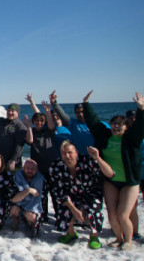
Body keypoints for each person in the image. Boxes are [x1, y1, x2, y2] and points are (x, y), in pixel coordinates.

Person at [83, 90, 144, 251]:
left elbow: (140, 127)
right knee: (112, 214)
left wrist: (141, 109)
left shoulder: (132, 139)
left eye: (120, 124)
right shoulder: (105, 136)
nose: (116, 127)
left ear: (126, 126)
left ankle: (128, 240)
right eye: (114, 124)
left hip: (129, 182)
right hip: (111, 180)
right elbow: (94, 123)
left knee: (123, 214)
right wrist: (86, 105)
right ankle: (118, 237)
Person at [49, 140, 112, 250]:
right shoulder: (56, 166)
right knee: (62, 206)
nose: (67, 156)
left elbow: (110, 174)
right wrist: (74, 210)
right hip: (71, 195)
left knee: (93, 207)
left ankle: (94, 235)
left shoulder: (87, 161)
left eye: (70, 152)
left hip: (90, 193)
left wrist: (97, 158)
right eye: (64, 153)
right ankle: (71, 232)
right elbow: (60, 191)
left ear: (76, 152)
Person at [0, 100, 27, 171]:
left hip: (10, 162)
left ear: (18, 112)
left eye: (13, 111)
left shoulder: (21, 126)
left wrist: (13, 160)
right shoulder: (1, 121)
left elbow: (19, 145)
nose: (10, 112)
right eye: (8, 110)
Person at [50, 90, 94, 156]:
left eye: (82, 111)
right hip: (79, 158)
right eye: (77, 112)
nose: (80, 114)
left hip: (95, 157)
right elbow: (63, 116)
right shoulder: (74, 124)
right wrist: (54, 103)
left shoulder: (96, 124)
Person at [10, 159, 44, 237]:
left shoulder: (40, 179)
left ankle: (32, 225)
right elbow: (14, 199)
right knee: (13, 210)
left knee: (29, 215)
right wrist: (28, 190)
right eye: (27, 168)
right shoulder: (18, 176)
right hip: (21, 204)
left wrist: (24, 193)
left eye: (33, 169)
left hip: (33, 207)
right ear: (23, 168)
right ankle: (16, 221)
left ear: (37, 170)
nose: (30, 170)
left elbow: (37, 197)